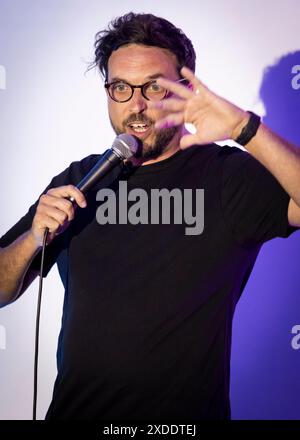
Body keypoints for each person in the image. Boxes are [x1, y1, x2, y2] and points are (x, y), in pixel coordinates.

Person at [0, 12, 299, 421]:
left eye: (153, 87)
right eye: (121, 87)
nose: (136, 106)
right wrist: (33, 238)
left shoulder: (227, 176)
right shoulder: (80, 179)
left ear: (185, 89)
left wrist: (243, 127)